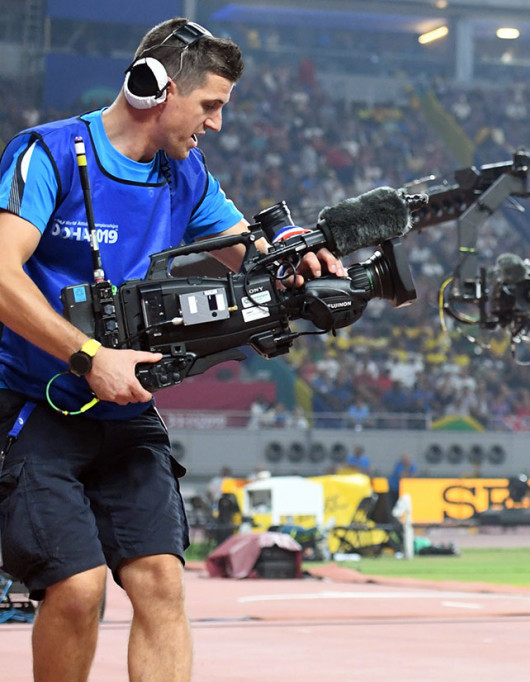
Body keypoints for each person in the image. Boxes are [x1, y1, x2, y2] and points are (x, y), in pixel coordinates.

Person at [0, 18, 340, 681]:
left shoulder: (185, 174)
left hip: (125, 415)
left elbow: (257, 253)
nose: (214, 124)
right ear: (151, 87)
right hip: (31, 408)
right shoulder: (47, 154)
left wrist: (303, 253)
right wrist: (88, 357)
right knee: (78, 588)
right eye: (209, 105)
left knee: (161, 581)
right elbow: (1, 274)